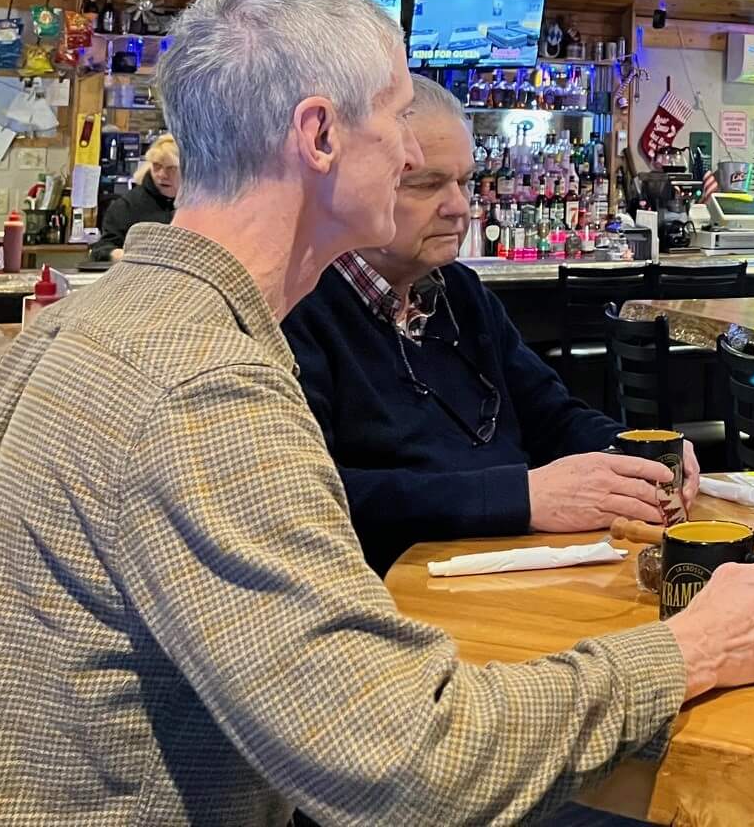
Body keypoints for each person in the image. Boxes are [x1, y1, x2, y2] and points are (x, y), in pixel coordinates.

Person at [0, 0, 754, 826]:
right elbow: (401, 760)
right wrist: (694, 649)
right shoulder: (201, 382)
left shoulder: (91, 325)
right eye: (396, 119)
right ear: (322, 136)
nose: (415, 148)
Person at [284, 76, 699, 573]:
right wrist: (521, 497)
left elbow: (552, 415)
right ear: (355, 180)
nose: (460, 206)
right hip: (400, 588)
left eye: (463, 181)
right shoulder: (297, 309)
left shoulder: (461, 291)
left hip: (518, 568)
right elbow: (318, 499)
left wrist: (636, 456)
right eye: (425, 183)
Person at [89, 131, 179, 261]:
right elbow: (101, 249)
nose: (162, 175)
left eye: (171, 168)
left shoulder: (200, 204)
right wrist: (127, 256)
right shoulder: (127, 206)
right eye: (156, 166)